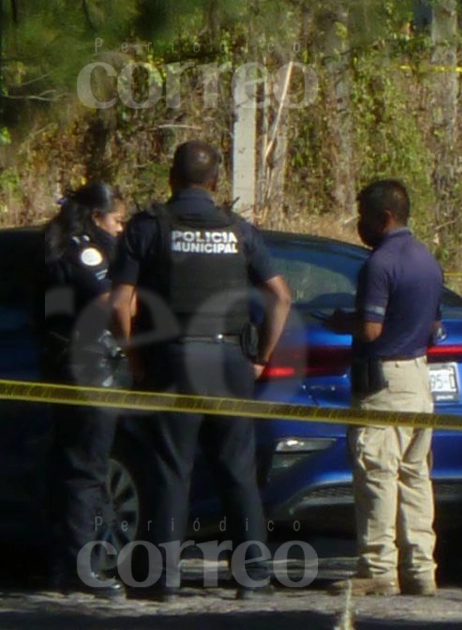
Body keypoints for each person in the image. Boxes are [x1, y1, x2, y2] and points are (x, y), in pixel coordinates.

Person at [108, 140, 292, 601]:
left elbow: (118, 303)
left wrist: (134, 355)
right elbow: (281, 296)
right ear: (215, 183)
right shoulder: (239, 230)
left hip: (174, 358)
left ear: (171, 178)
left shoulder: (149, 228)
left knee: (171, 468)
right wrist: (261, 356)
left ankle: (161, 579)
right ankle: (252, 577)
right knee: (237, 470)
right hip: (230, 361)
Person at [326, 179, 443, 597]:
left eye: (363, 216)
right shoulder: (427, 260)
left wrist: (341, 322)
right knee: (415, 476)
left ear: (384, 218)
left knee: (376, 472)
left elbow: (371, 330)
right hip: (418, 376)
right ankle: (420, 569)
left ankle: (376, 568)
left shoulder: (379, 264)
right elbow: (434, 326)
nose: (360, 225)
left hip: (384, 382)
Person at [38, 182, 130, 599]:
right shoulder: (86, 251)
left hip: (69, 365)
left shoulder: (59, 244)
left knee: (72, 466)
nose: (121, 230)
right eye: (117, 221)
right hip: (92, 368)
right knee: (87, 470)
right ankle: (83, 566)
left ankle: (64, 564)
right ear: (96, 218)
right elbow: (111, 302)